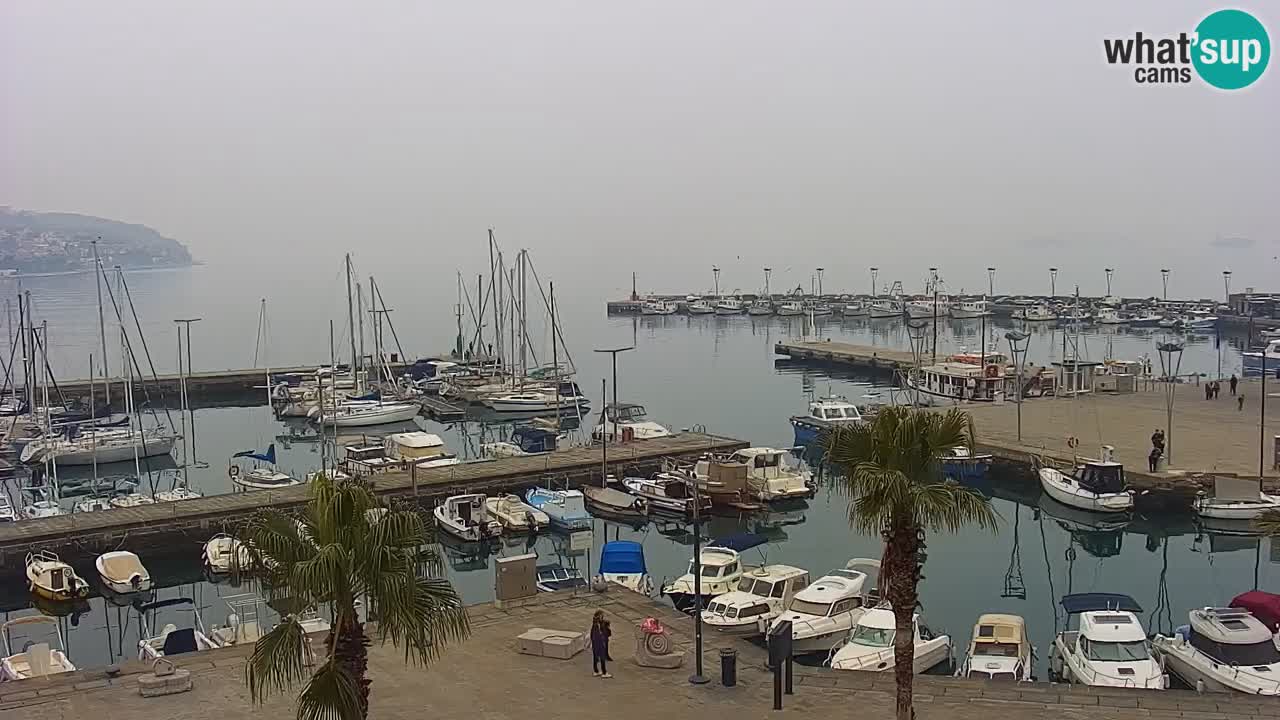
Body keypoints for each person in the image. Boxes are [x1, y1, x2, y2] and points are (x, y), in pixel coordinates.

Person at [590, 610, 612, 678]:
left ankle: (596, 671)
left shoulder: (595, 623)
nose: (603, 616)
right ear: (600, 616)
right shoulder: (598, 625)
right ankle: (604, 672)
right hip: (599, 644)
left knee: (595, 657)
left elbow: (592, 634)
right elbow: (601, 634)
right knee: (602, 657)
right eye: (602, 615)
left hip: (595, 644)